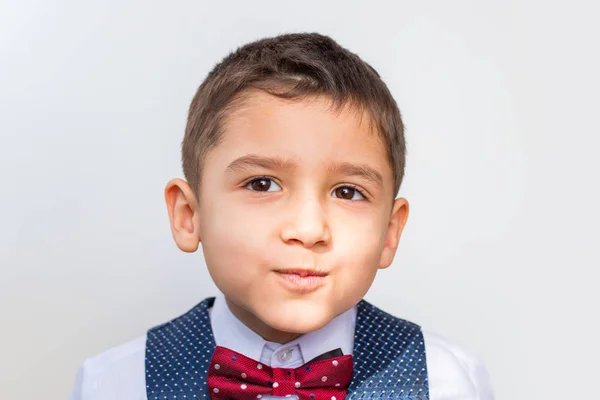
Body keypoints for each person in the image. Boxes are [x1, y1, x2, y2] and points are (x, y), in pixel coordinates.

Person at [70, 32, 494, 400]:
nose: (308, 230)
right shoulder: (114, 384)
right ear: (188, 215)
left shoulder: (449, 382)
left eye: (348, 192)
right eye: (261, 184)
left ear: (389, 232)